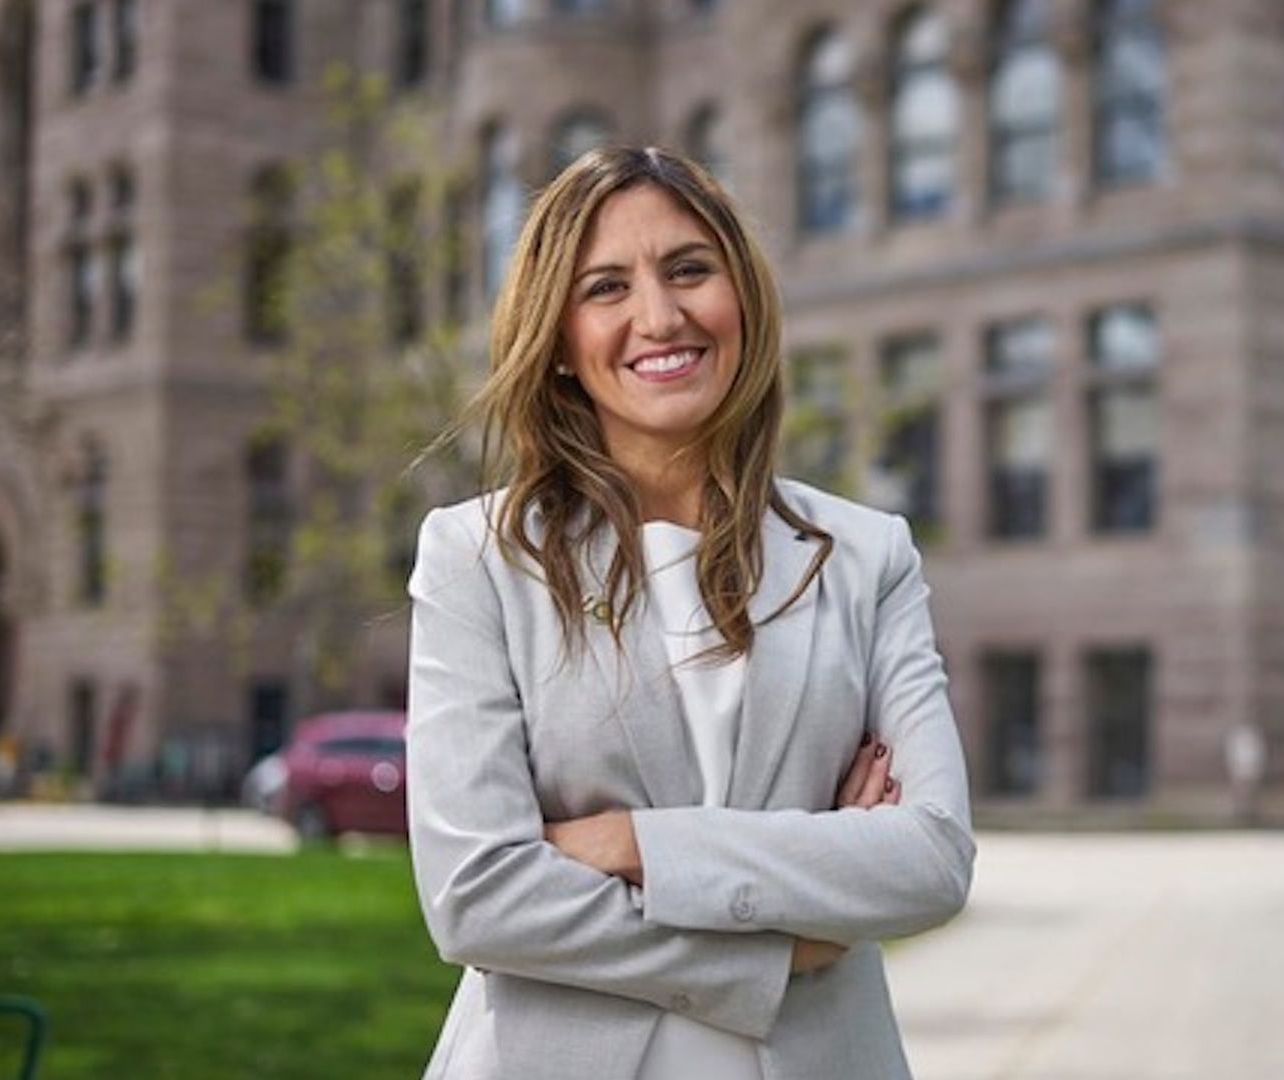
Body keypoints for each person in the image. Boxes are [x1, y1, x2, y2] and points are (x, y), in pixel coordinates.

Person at [404, 145, 975, 1080]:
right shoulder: (479, 558)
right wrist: (782, 941)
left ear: (742, 297)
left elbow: (931, 858)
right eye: (605, 288)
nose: (659, 317)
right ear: (556, 343)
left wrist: (632, 843)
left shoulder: (868, 556)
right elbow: (477, 896)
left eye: (689, 270)